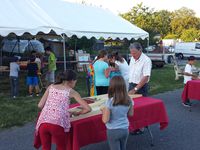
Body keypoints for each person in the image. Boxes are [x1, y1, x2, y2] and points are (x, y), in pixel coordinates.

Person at [35, 70, 91, 150]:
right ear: (71, 81)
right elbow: (88, 108)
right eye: (75, 81)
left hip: (43, 122)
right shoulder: (71, 91)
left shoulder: (51, 87)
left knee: (45, 148)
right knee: (62, 147)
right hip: (57, 124)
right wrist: (78, 113)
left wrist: (52, 108)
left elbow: (40, 105)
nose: (75, 83)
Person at [100, 76, 133, 150]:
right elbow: (130, 114)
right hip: (125, 129)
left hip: (113, 131)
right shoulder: (129, 99)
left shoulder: (109, 101)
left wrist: (104, 111)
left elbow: (105, 120)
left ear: (111, 87)